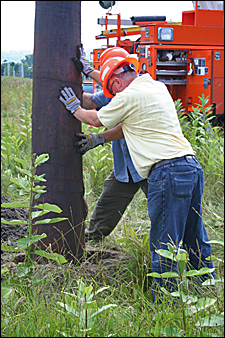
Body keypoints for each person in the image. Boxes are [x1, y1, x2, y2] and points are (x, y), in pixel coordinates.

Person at [59, 48, 215, 297]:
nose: (112, 95)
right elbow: (127, 126)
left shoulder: (128, 96)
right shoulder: (156, 87)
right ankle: (206, 289)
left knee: (164, 243)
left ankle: (165, 303)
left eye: (112, 89)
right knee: (195, 235)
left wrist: (73, 108)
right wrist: (89, 72)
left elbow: (95, 119)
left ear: (118, 82)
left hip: (167, 173)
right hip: (190, 167)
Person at [72, 46, 148, 241]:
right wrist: (70, 90)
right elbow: (89, 102)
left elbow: (122, 125)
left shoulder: (141, 90)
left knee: (167, 210)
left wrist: (98, 137)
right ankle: (93, 239)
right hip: (126, 166)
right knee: (109, 200)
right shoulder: (113, 91)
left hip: (148, 163)